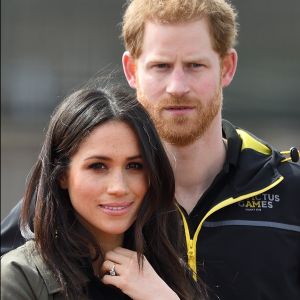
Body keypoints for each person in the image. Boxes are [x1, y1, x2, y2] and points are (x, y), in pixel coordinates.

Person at [1, 0, 300, 299]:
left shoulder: (290, 191)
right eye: (161, 66)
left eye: (195, 65)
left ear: (227, 67)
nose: (177, 86)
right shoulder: (65, 206)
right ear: (131, 70)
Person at [1, 86, 205, 299]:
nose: (118, 187)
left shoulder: (168, 272)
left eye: (134, 166)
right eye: (98, 166)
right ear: (62, 175)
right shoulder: (21, 277)